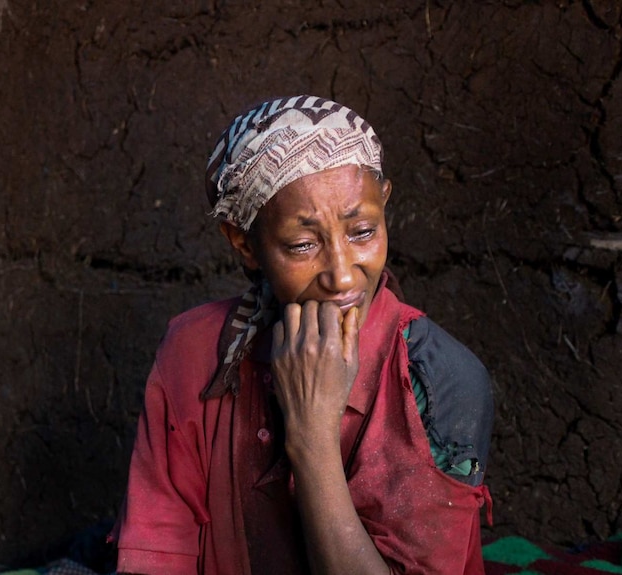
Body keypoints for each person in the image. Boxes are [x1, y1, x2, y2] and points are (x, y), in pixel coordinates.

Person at [110, 95, 494, 575]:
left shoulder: (437, 379)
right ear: (243, 243)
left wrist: (311, 436)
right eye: (303, 244)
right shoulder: (192, 354)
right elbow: (158, 553)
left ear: (385, 206)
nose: (342, 275)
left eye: (362, 231)